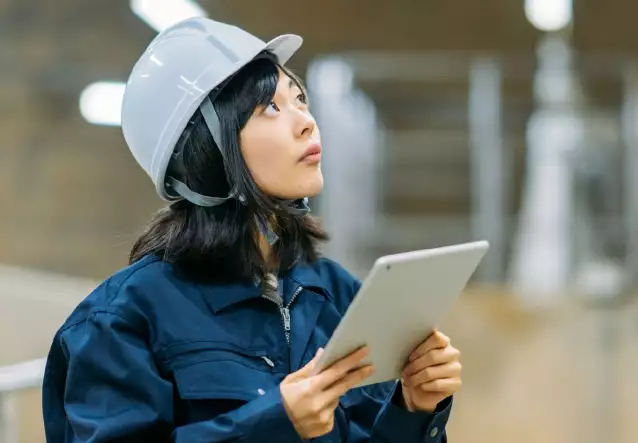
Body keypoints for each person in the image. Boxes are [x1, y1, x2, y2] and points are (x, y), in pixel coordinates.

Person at [41, 17, 462, 442]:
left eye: (300, 100)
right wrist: (275, 425)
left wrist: (413, 407)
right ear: (209, 151)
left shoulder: (335, 294)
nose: (306, 122)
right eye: (272, 108)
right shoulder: (122, 320)